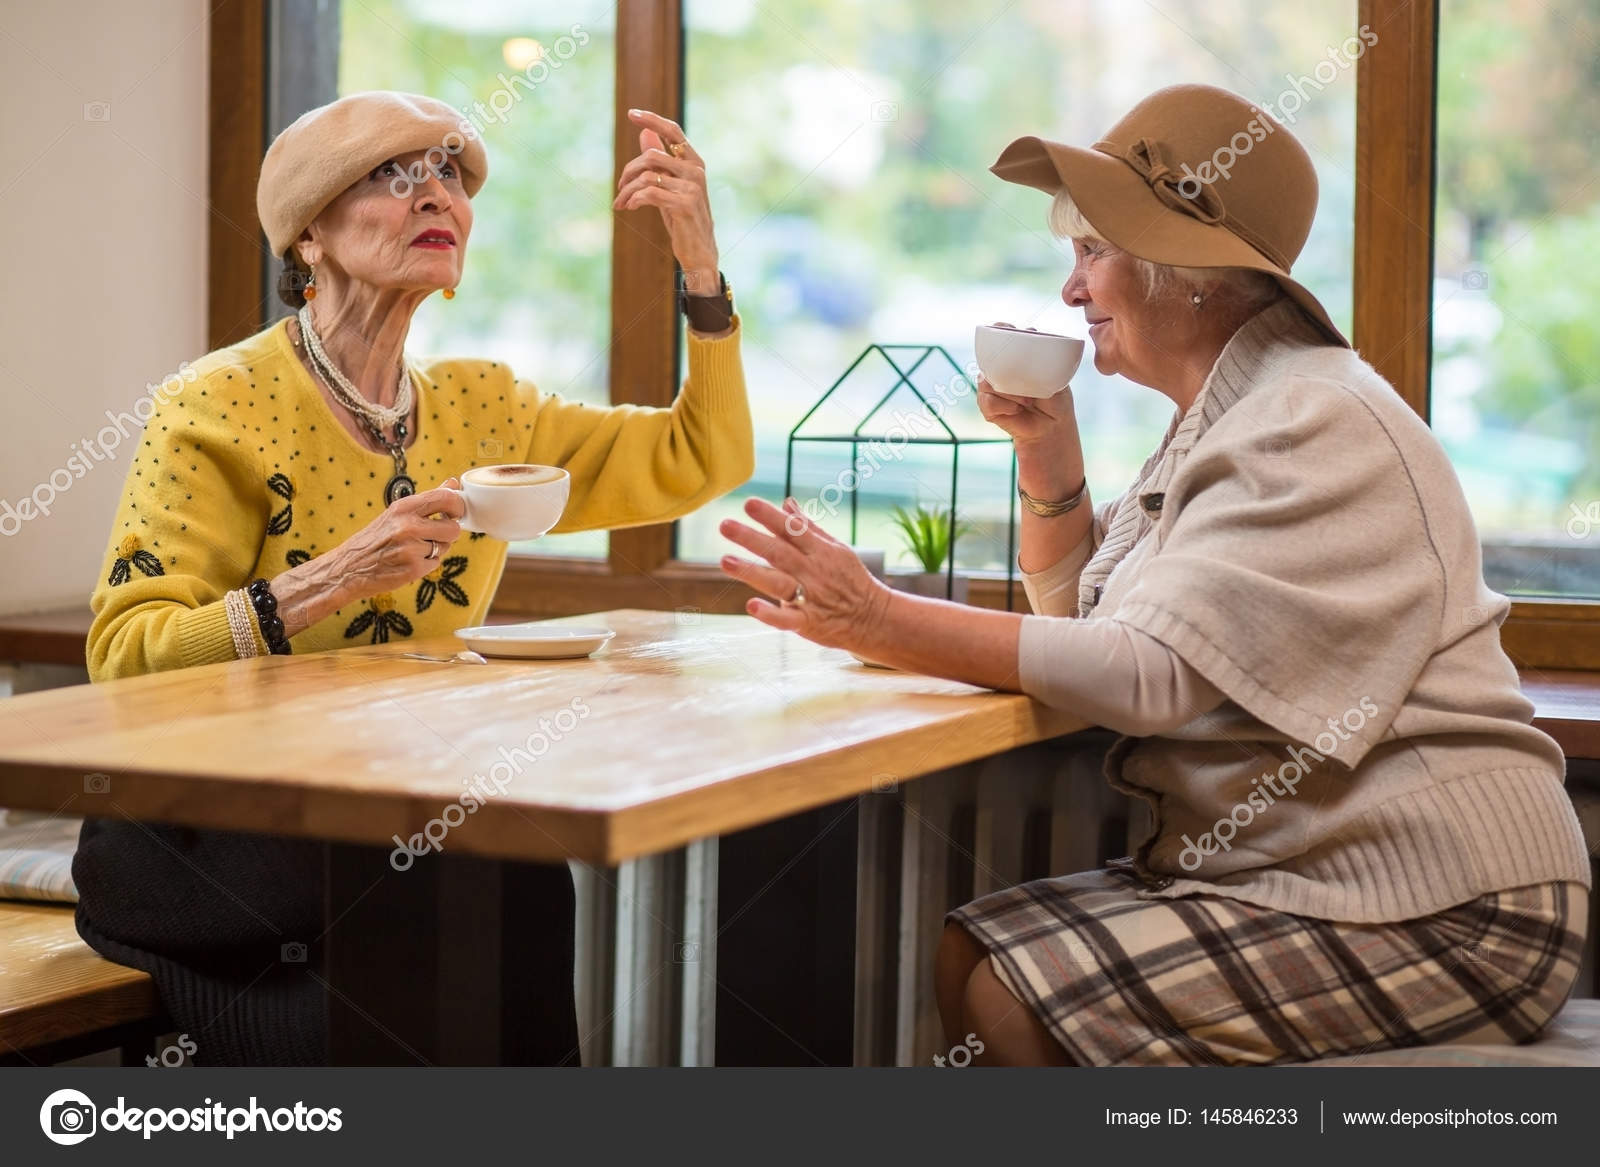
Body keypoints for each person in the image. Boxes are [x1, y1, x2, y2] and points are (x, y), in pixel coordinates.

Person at [717, 83, 1589, 1066]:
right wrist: (1050, 465)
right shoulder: (1232, 409)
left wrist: (876, 616)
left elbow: (1143, 680)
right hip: (1312, 874)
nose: (1069, 290)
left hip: (1450, 904)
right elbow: (1094, 629)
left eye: (1093, 252)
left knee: (1012, 994)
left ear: (1195, 272)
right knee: (970, 947)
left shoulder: (1303, 419)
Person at [74, 91, 753, 1065]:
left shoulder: (485, 406)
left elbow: (702, 458)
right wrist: (322, 582)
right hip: (208, 830)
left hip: (389, 810)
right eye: (394, 177)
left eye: (450, 174)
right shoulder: (215, 403)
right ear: (307, 234)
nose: (435, 195)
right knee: (441, 887)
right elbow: (123, 662)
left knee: (515, 871)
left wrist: (697, 261)